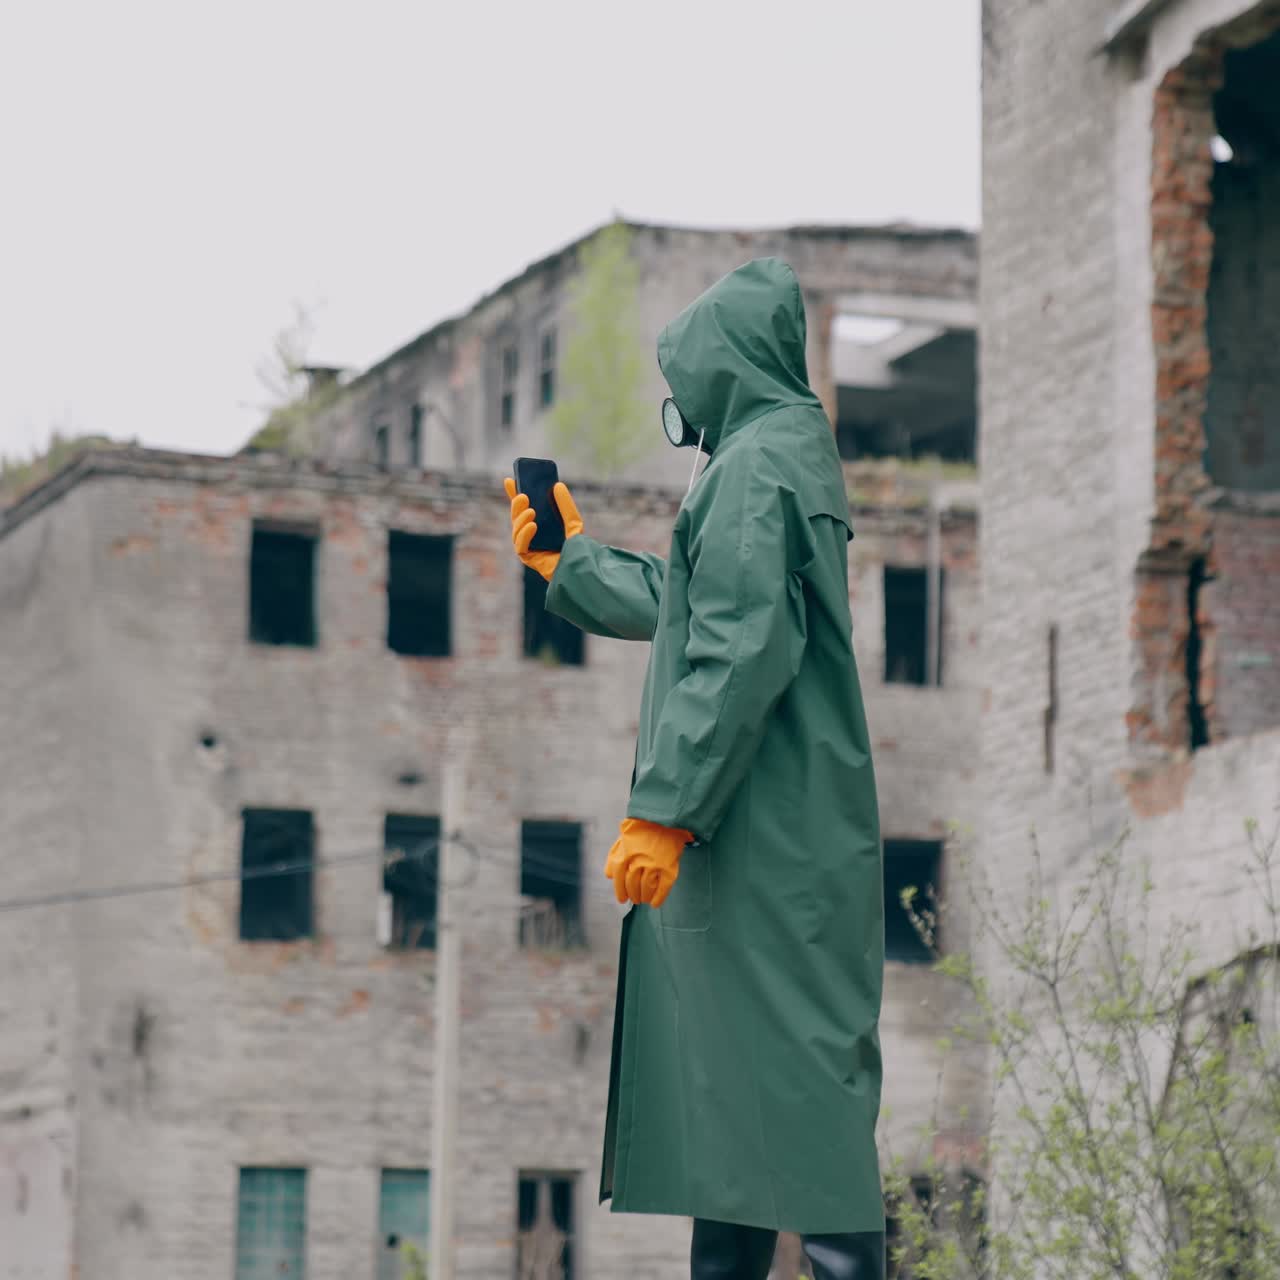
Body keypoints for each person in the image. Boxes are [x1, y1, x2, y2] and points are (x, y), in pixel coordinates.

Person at [504, 258, 885, 1280]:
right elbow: (697, 606)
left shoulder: (754, 470)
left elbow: (739, 649)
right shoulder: (773, 457)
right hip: (772, 836)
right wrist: (567, 559)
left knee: (796, 1104)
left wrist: (662, 809)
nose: (679, 403)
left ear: (723, 367)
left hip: (764, 839)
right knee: (741, 1119)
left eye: (685, 376)